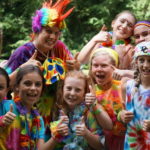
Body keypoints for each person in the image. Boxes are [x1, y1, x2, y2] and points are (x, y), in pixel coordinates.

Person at [4, 0, 76, 141]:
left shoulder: (59, 48)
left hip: (53, 118)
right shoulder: (23, 52)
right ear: (37, 30)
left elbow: (74, 74)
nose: (53, 37)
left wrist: (74, 67)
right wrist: (21, 69)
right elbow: (3, 85)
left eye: (57, 33)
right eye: (48, 31)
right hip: (25, 118)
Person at [48, 70, 112, 150]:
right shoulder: (59, 110)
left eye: (78, 90)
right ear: (62, 89)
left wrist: (86, 133)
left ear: (84, 92)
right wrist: (58, 133)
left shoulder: (90, 111)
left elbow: (102, 146)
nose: (72, 93)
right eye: (69, 88)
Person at [87, 47, 126, 150]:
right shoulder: (90, 91)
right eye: (95, 65)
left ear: (115, 67)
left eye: (104, 65)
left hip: (127, 141)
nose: (99, 69)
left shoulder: (124, 86)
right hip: (103, 143)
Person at [118, 41, 150, 150]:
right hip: (132, 143)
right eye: (142, 60)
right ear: (136, 62)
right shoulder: (127, 87)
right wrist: (122, 115)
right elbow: (122, 112)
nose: (146, 65)